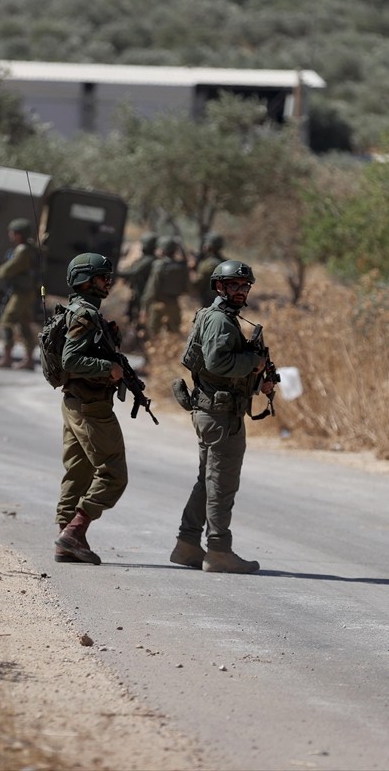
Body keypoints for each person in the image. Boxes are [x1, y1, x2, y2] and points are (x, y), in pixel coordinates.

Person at [169, 259, 276, 574]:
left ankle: (187, 544)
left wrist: (257, 380)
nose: (241, 291)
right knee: (221, 484)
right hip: (220, 416)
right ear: (219, 286)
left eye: (245, 286)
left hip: (215, 411)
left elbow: (221, 371)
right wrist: (253, 362)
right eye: (234, 285)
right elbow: (218, 363)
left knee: (207, 481)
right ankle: (218, 550)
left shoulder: (221, 317)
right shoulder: (219, 320)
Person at [54, 252, 128, 565]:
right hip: (90, 406)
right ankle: (75, 530)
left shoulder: (80, 311)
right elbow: (70, 360)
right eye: (102, 277)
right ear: (84, 280)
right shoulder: (84, 314)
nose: (108, 282)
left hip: (74, 402)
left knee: (79, 471)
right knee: (113, 474)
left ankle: (67, 540)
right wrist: (107, 368)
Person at [0, 217, 40, 369]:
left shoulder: (22, 251)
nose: (10, 235)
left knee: (6, 321)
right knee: (24, 324)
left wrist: (1, 271)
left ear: (20, 234)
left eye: (13, 232)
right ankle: (29, 360)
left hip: (21, 293)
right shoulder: (31, 248)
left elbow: (8, 270)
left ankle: (7, 357)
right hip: (27, 292)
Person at [141, 236, 189, 336]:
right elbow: (187, 288)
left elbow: (151, 289)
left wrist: (144, 307)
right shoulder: (182, 267)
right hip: (174, 305)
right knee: (173, 334)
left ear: (162, 250)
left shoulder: (159, 265)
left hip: (159, 304)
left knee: (153, 333)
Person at [118, 233, 158, 332]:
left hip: (143, 291)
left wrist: (116, 272)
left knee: (139, 315)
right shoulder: (145, 258)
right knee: (131, 313)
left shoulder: (149, 260)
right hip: (138, 290)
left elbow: (134, 272)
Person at [192, 232, 226, 308]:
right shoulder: (225, 262)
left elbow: (200, 281)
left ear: (208, 246)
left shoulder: (209, 263)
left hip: (210, 300)